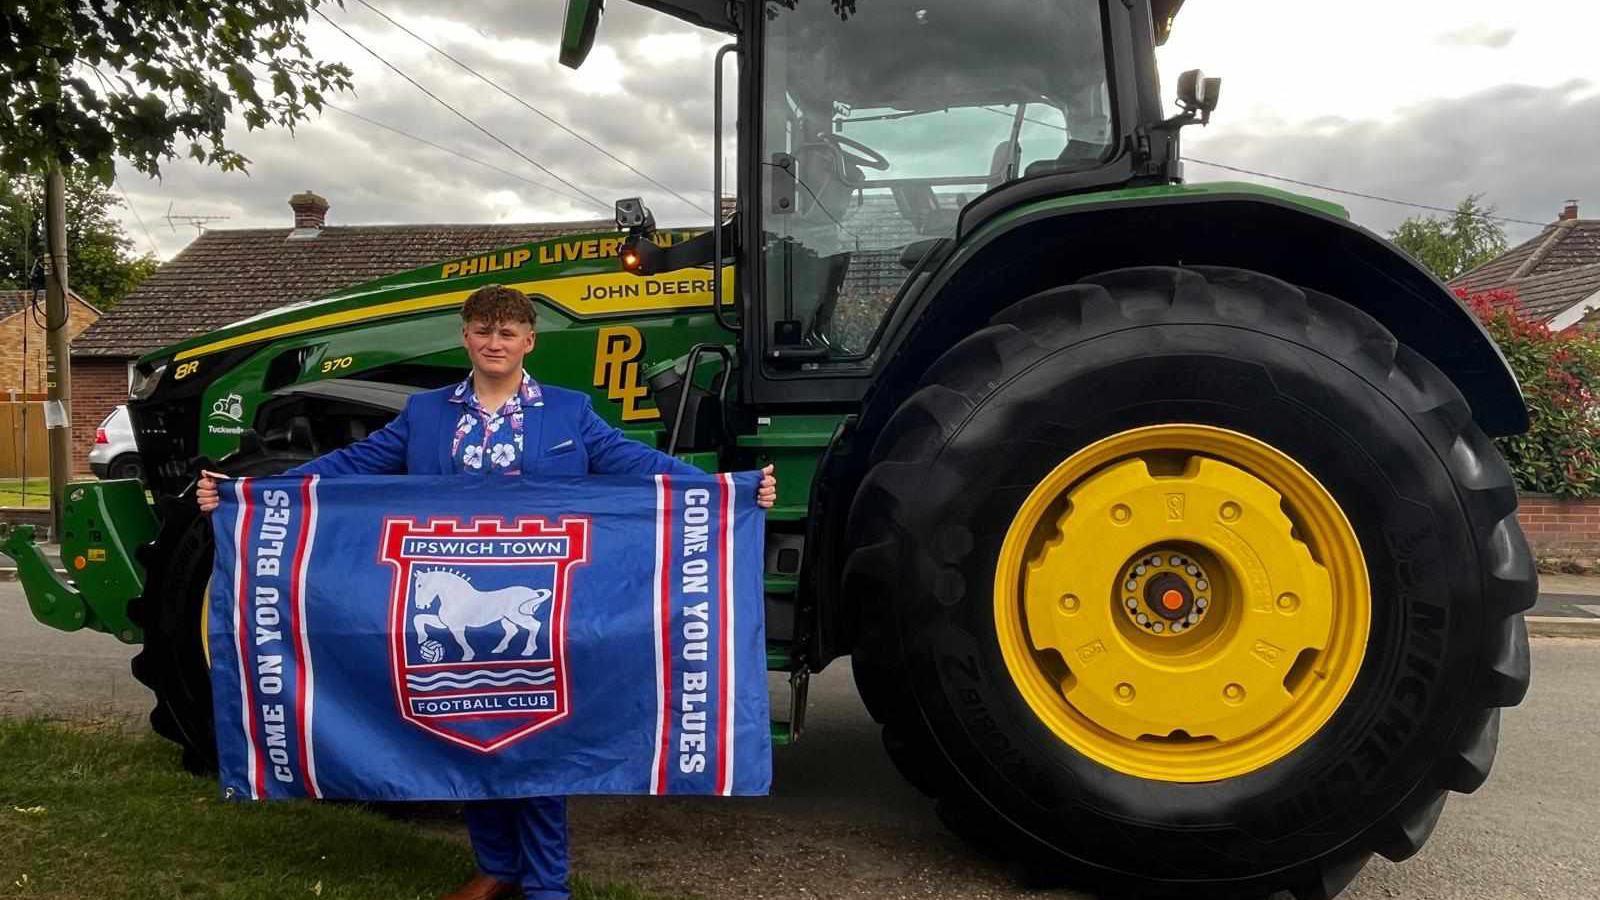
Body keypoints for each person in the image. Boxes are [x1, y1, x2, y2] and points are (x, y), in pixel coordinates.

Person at [198, 284, 777, 900]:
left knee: (537, 740)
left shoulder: (568, 411)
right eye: (482, 330)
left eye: (506, 333)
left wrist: (721, 490)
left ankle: (547, 882)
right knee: (463, 732)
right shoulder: (427, 414)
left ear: (528, 342)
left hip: (546, 602)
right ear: (464, 336)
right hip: (448, 594)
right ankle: (496, 866)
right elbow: (353, 464)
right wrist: (254, 493)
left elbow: (632, 463)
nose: (493, 342)